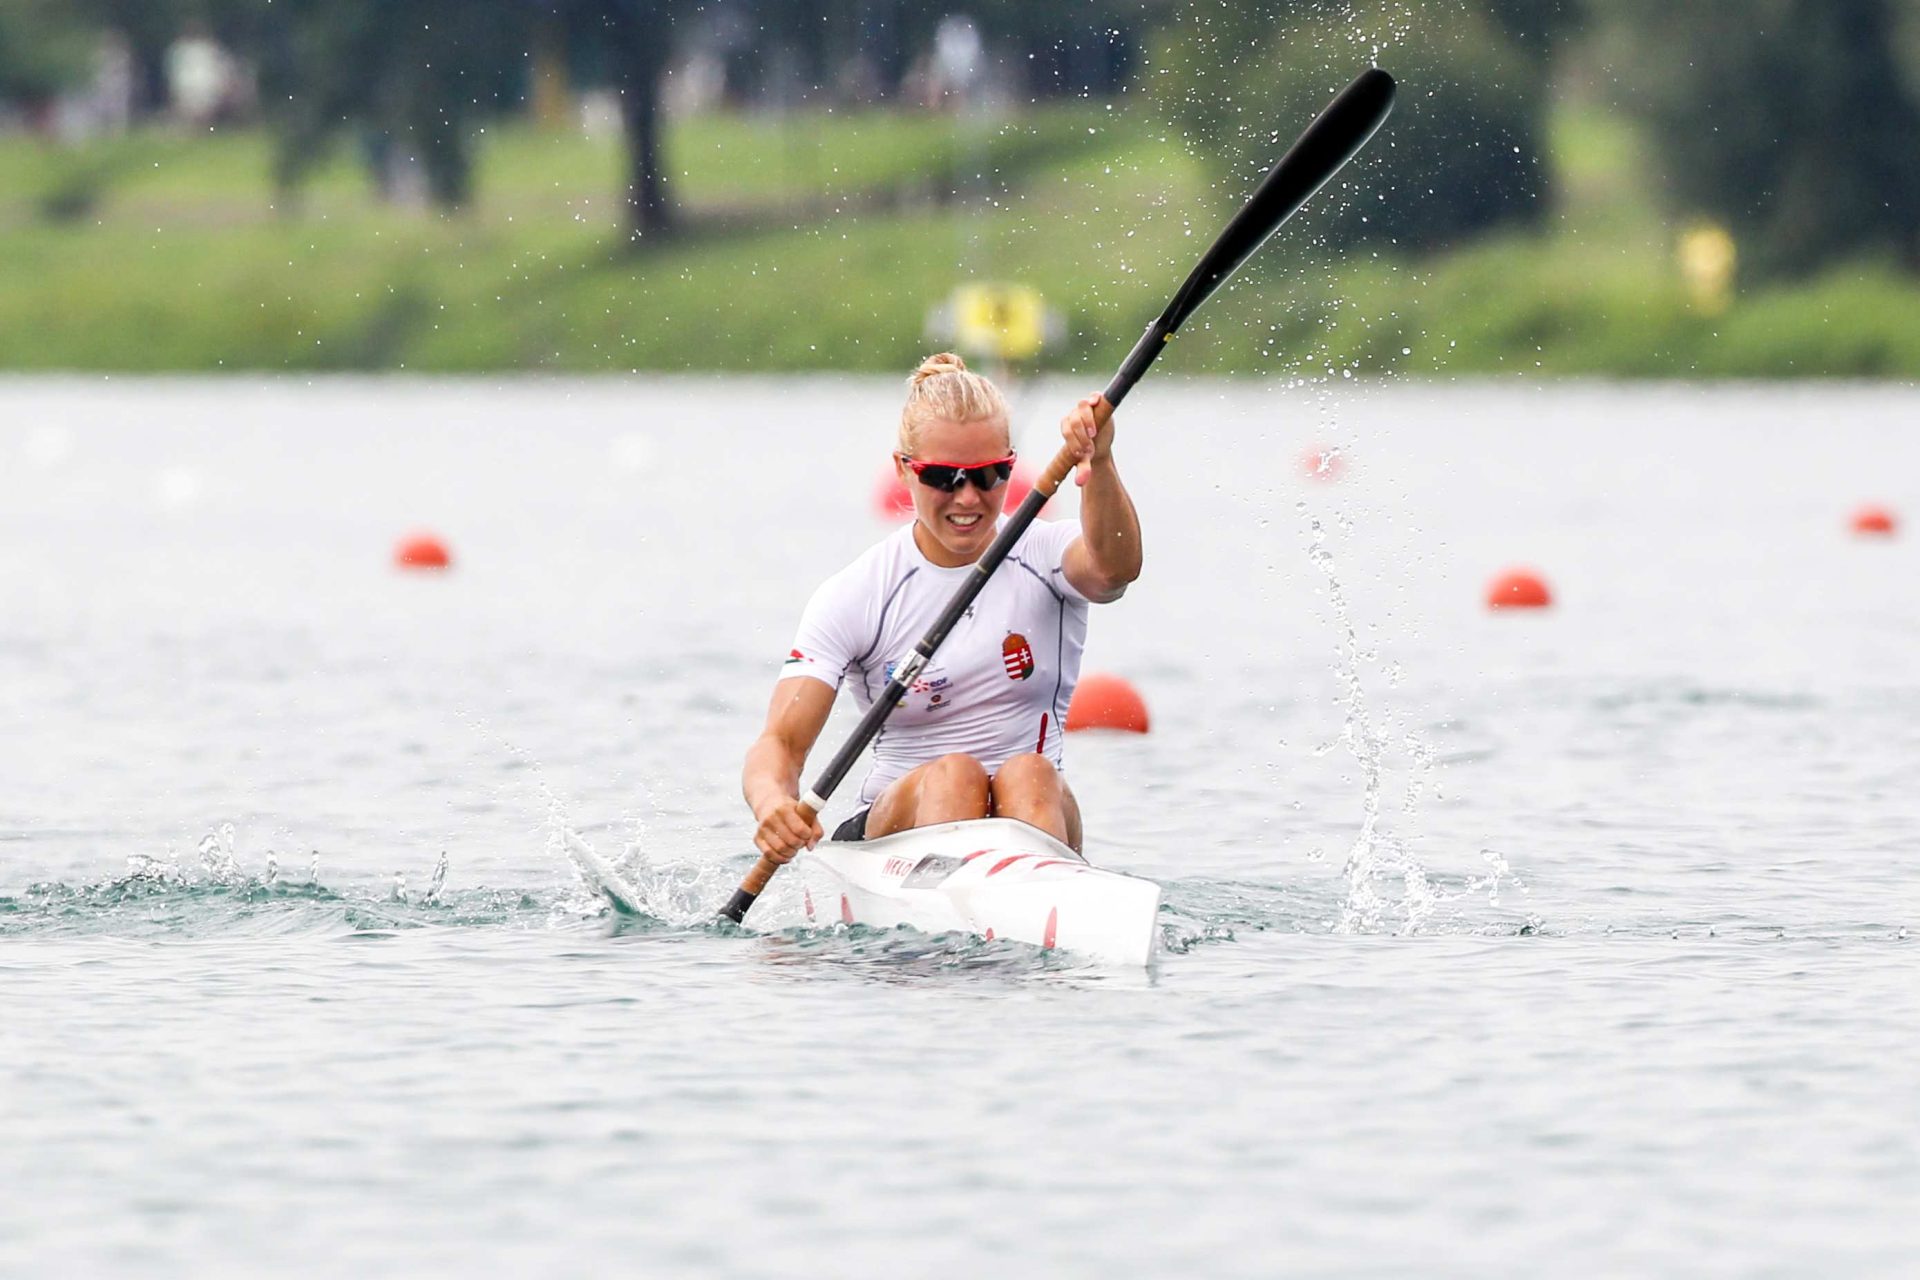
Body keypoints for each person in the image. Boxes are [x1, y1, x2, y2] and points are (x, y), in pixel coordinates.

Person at [742, 352, 1143, 866]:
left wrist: (1101, 461)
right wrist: (774, 804)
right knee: (956, 775)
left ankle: (1029, 899)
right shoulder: (860, 593)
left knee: (1030, 773)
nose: (969, 498)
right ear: (903, 470)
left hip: (1032, 814)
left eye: (990, 474)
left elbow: (1114, 571)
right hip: (895, 836)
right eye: (943, 477)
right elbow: (778, 745)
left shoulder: (1042, 555)